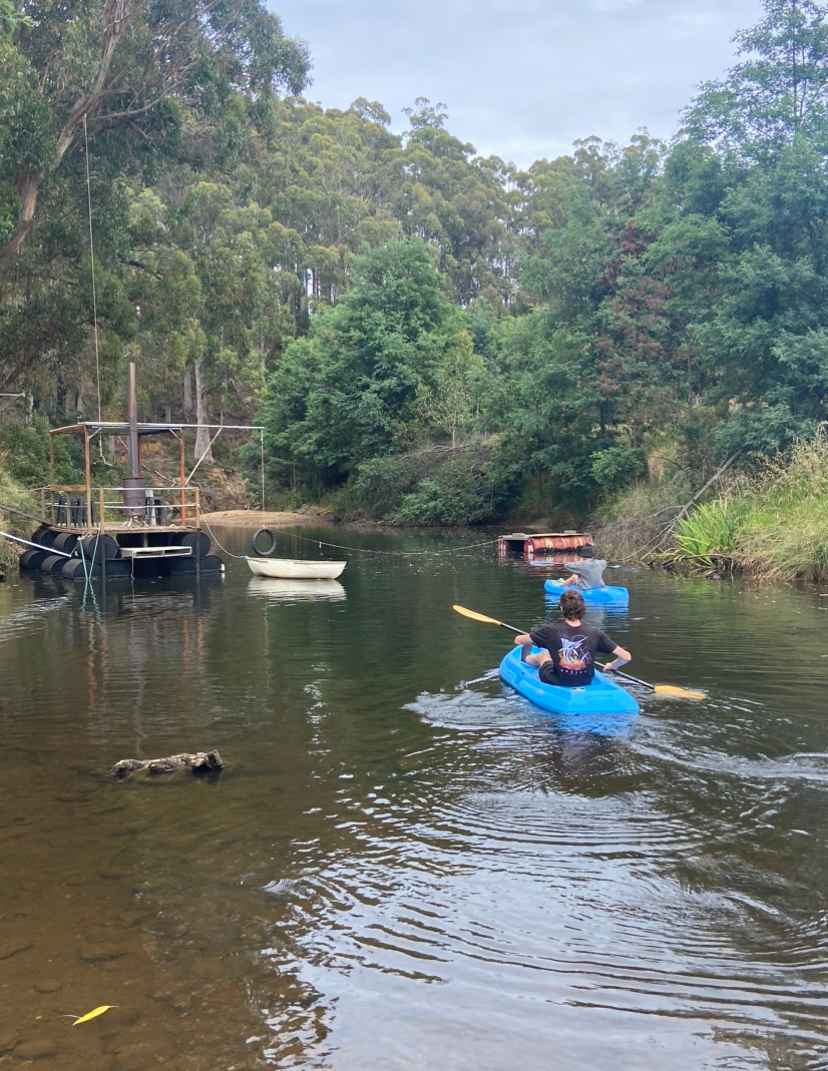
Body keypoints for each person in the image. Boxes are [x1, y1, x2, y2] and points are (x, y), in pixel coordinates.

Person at [513, 589, 631, 688]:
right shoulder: (595, 632)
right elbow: (626, 656)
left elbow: (519, 641)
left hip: (557, 680)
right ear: (582, 609)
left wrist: (530, 637)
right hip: (586, 681)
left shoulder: (549, 630)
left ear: (561, 608)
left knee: (544, 655)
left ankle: (526, 660)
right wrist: (612, 666)